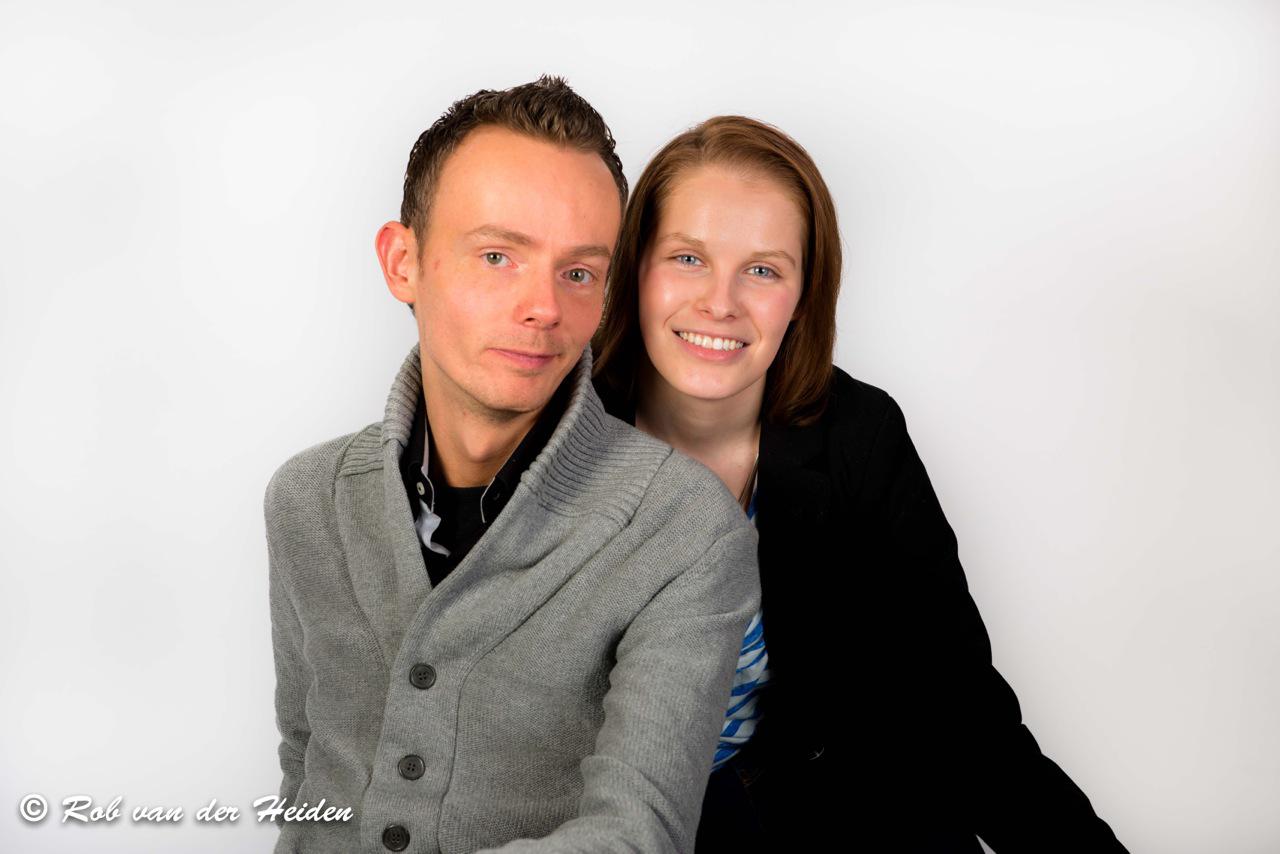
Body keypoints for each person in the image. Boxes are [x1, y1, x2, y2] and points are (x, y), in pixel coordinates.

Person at [591, 115, 1129, 852]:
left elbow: (961, 706)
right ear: (634, 268)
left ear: (804, 294)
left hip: (839, 815)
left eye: (763, 270)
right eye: (688, 258)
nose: (720, 302)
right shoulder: (558, 437)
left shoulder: (858, 435)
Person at [263, 78, 760, 854]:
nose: (544, 308)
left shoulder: (687, 530)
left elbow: (637, 834)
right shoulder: (306, 498)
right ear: (403, 262)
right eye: (498, 256)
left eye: (579, 272)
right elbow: (308, 776)